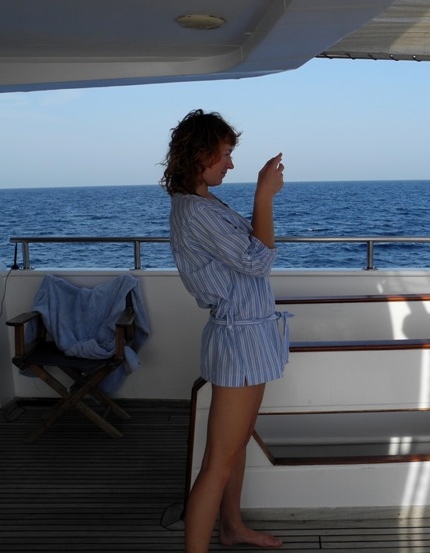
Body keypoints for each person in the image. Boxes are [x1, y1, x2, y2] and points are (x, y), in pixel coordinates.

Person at [160, 109, 289, 552]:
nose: (230, 164)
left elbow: (246, 254)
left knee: (237, 446)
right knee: (217, 462)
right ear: (200, 154)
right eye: (225, 154)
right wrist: (264, 196)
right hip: (238, 339)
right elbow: (258, 260)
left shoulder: (204, 204)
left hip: (251, 335)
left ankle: (232, 527)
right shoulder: (196, 211)